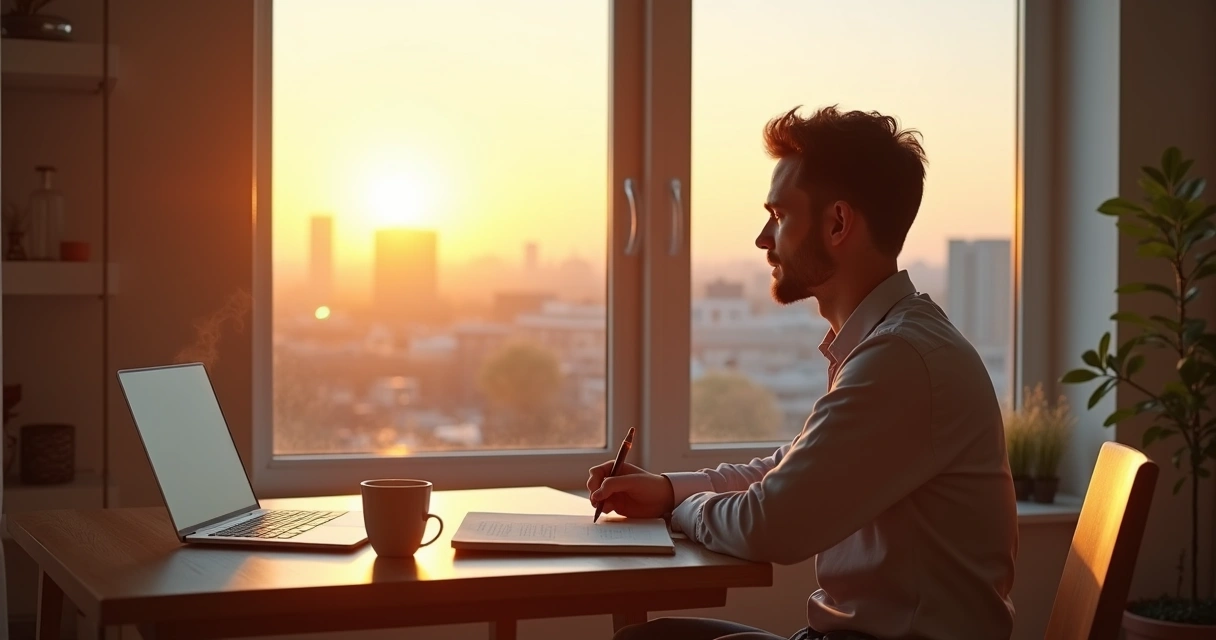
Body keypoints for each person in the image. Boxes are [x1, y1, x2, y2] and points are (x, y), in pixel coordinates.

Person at [587, 105, 1018, 640]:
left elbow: (771, 523)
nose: (762, 238)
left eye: (779, 215)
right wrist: (669, 491)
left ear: (837, 223)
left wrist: (683, 509)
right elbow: (789, 471)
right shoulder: (887, 344)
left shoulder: (902, 359)